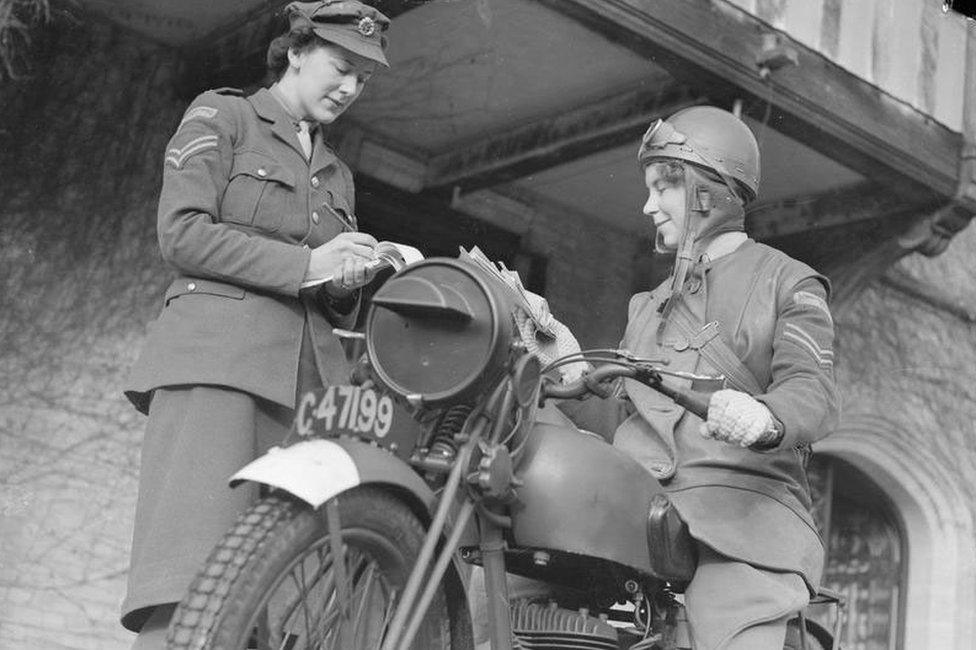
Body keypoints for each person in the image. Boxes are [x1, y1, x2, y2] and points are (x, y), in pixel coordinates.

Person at [119, 2, 392, 646]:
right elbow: (182, 235)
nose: (350, 88)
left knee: (268, 606)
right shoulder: (224, 115)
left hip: (304, 398)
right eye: (341, 66)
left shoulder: (339, 175)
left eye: (364, 79)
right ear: (295, 51)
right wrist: (307, 263)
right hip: (219, 371)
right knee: (189, 590)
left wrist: (345, 280)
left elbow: (323, 294)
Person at [613, 105, 839, 649]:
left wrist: (766, 417)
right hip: (632, 510)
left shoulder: (787, 282)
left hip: (741, 525)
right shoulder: (647, 305)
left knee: (729, 632)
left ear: (707, 192)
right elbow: (620, 413)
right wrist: (556, 357)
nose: (649, 206)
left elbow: (812, 388)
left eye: (663, 188)